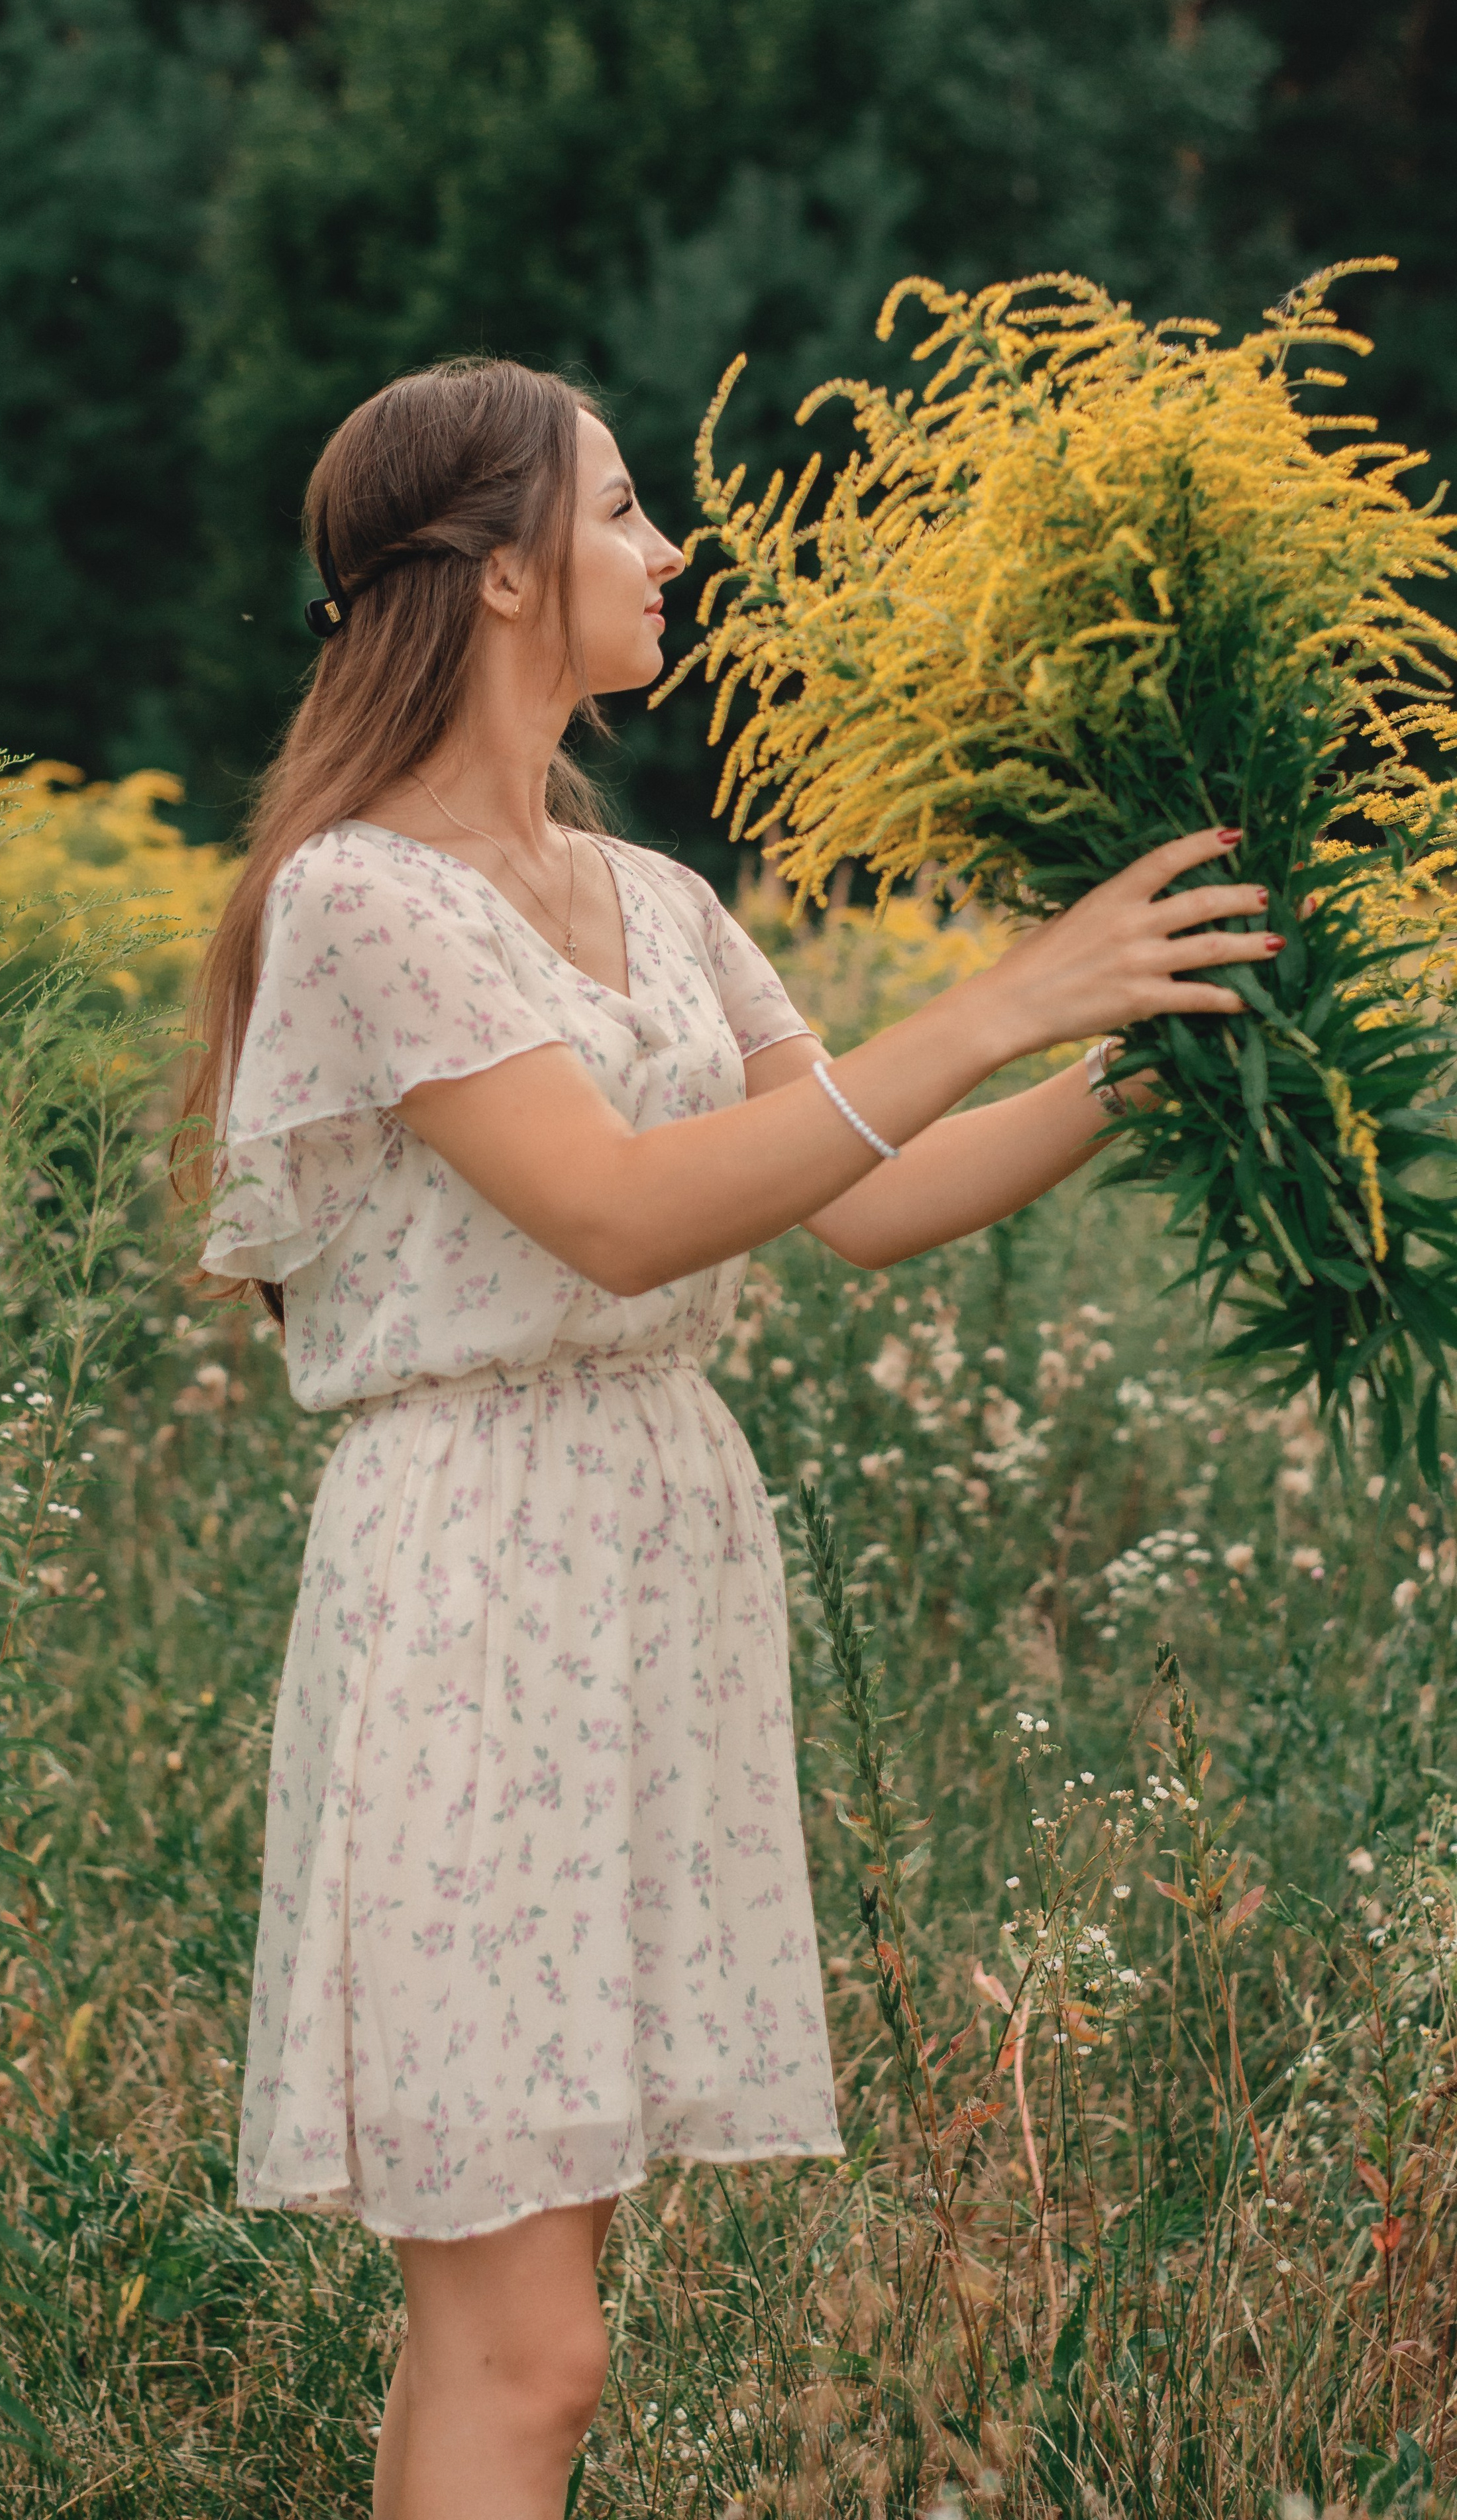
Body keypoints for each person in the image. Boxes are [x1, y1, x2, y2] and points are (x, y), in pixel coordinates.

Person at [180, 355, 1281, 2520]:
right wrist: (1006, 996)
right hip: (479, 1576)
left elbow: (858, 1195)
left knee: (519, 2322)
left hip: (651, 1561)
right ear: (499, 577)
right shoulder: (365, 899)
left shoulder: (660, 900)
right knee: (532, 2342)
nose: (667, 548)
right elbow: (611, 1209)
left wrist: (1160, 1051)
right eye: (616, 510)